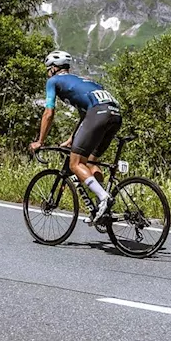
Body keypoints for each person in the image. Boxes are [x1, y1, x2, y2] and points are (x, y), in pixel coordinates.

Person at [29, 51, 122, 223]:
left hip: (98, 114)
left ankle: (104, 198)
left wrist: (40, 141)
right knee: (91, 161)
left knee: (75, 163)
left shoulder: (53, 81)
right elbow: (84, 118)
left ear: (53, 69)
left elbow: (48, 113)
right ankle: (101, 209)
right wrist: (72, 140)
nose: (48, 72)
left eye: (48, 69)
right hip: (115, 115)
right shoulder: (83, 81)